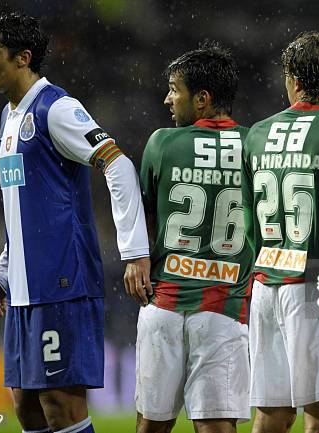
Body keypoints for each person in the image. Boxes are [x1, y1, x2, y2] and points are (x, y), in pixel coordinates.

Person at [0, 11, 151, 433]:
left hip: (61, 284)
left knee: (61, 406)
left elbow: (119, 165)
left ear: (23, 57)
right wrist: (4, 268)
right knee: (26, 407)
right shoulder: (8, 118)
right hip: (23, 287)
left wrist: (135, 253)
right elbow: (22, 206)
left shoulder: (56, 108)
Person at [136, 43, 252, 433]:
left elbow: (146, 216)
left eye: (174, 89)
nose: (167, 98)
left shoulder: (161, 143)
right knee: (216, 427)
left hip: (164, 302)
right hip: (225, 307)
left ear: (202, 99)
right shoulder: (255, 146)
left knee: (150, 427)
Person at [241, 31, 319, 433]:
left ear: (295, 81)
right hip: (313, 282)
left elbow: (250, 220)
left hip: (266, 281)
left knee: (271, 411)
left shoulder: (257, 134)